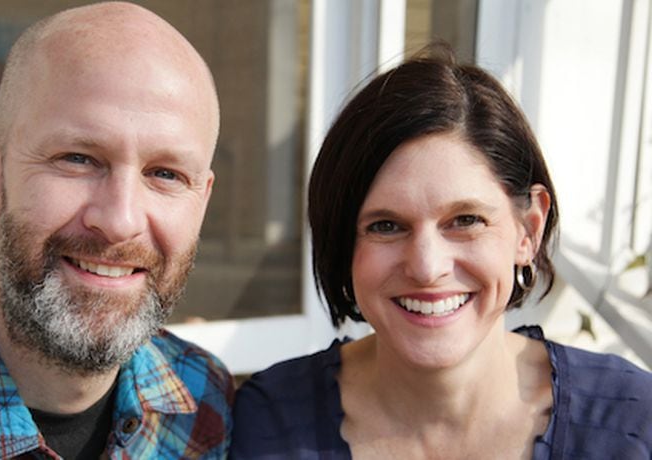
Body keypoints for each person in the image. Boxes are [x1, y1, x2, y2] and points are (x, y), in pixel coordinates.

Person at [231, 45, 652, 459]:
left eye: (466, 220)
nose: (427, 267)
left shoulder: (634, 424)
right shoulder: (269, 424)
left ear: (528, 229)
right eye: (386, 226)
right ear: (344, 242)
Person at [0, 2, 233, 458]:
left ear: (202, 201)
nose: (120, 221)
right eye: (77, 158)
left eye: (166, 174)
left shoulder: (206, 402)